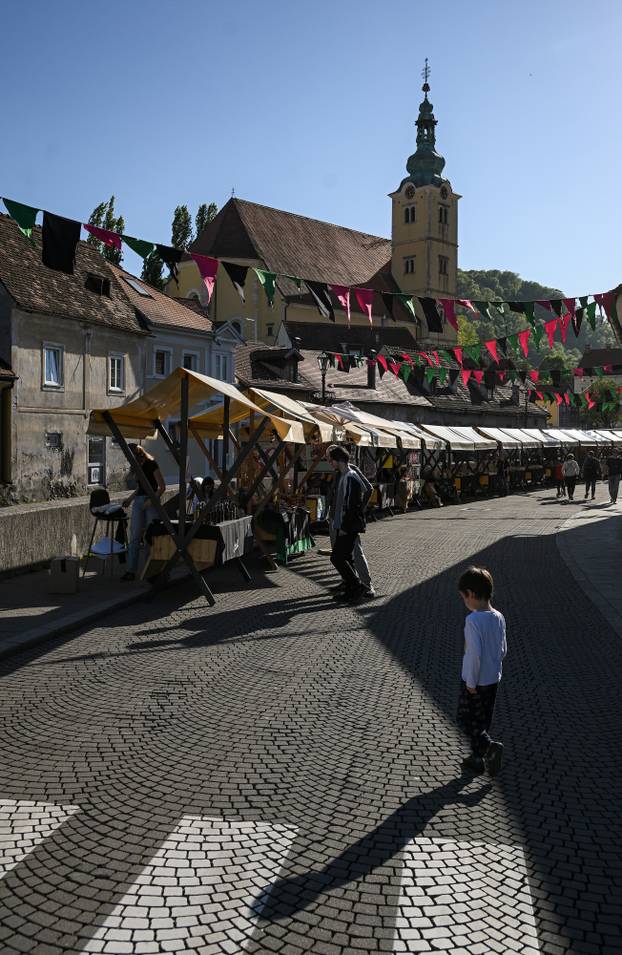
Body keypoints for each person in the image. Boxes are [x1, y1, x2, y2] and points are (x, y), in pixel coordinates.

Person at [456, 566, 506, 777]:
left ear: (472, 594)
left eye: (464, 597)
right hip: (492, 678)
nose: (465, 602)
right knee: (482, 719)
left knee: (465, 719)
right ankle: (476, 759)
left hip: (474, 680)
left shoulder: (473, 620)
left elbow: (474, 653)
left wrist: (470, 681)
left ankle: (488, 747)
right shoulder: (498, 616)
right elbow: (503, 648)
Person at [326, 445, 375, 598]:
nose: (328, 461)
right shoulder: (337, 472)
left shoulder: (350, 471)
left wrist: (359, 510)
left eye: (330, 458)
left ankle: (366, 585)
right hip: (336, 519)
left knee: (354, 553)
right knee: (341, 555)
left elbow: (368, 489)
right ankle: (349, 582)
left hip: (347, 521)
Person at [121, 445, 165, 581]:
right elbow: (140, 487)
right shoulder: (137, 466)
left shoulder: (152, 464)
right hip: (139, 502)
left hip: (150, 502)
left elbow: (162, 487)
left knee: (150, 537)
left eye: (132, 458)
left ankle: (149, 570)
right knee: (134, 537)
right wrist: (129, 499)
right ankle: (130, 571)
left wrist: (150, 502)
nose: (130, 462)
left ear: (138, 455)